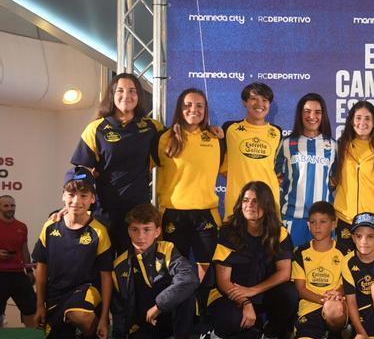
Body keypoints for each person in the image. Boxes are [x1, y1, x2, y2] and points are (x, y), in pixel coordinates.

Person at [70, 73, 163, 252]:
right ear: (112, 95)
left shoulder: (153, 127)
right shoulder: (96, 128)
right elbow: (81, 171)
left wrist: (211, 131)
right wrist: (73, 205)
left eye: (132, 91)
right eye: (120, 90)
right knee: (104, 268)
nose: (126, 96)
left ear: (139, 97)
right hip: (105, 212)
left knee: (134, 267)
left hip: (138, 214)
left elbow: (178, 144)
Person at [32, 168, 113, 339]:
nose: (76, 201)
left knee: (79, 313)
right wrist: (40, 305)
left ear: (92, 199)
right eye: (71, 194)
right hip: (56, 296)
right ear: (63, 195)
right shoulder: (50, 227)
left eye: (83, 195)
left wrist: (104, 319)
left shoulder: (99, 231)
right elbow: (41, 268)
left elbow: (105, 277)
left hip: (86, 291)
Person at [207, 181, 296, 339]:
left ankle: (269, 337)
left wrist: (253, 291)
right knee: (232, 319)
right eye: (245, 200)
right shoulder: (228, 231)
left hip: (259, 293)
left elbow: (284, 273)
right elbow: (223, 281)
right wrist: (246, 301)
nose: (249, 205)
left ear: (267, 205)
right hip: (229, 294)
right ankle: (217, 337)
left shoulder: (279, 233)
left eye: (255, 201)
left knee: (290, 293)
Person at [107, 203, 199, 339]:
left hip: (171, 320)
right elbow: (119, 311)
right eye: (135, 229)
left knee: (186, 293)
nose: (140, 236)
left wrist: (159, 305)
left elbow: (189, 278)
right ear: (128, 231)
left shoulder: (168, 250)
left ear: (157, 231)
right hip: (144, 326)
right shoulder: (119, 265)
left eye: (147, 229)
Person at [155, 88, 225, 281]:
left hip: (206, 214)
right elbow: (138, 171)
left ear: (205, 110)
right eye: (188, 104)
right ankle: (178, 310)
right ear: (179, 108)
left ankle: (201, 309)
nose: (193, 109)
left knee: (208, 273)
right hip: (173, 214)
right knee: (175, 273)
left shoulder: (216, 138)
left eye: (199, 105)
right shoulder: (163, 138)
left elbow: (233, 171)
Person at [332, 101, 374, 254]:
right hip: (345, 221)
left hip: (373, 223)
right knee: (345, 272)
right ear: (351, 120)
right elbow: (331, 181)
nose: (362, 123)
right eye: (358, 118)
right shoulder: (340, 147)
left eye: (367, 118)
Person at [291, 201, 348, 339]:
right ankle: (319, 337)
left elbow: (348, 284)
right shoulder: (300, 252)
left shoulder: (344, 251)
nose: (317, 226)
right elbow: (300, 289)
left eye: (323, 222)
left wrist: (337, 294)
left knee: (333, 309)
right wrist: (323, 300)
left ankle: (334, 335)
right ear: (308, 225)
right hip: (310, 306)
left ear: (333, 224)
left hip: (336, 305)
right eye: (313, 222)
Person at [277, 93, 337, 247]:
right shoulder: (286, 143)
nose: (312, 116)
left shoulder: (333, 145)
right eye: (307, 111)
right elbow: (275, 176)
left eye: (317, 112)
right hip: (292, 218)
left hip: (323, 221)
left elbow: (337, 180)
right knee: (291, 267)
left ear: (323, 115)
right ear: (300, 114)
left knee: (322, 269)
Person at [220, 83, 283, 218]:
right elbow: (219, 162)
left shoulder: (277, 132)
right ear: (244, 102)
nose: (259, 103)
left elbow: (280, 167)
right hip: (237, 203)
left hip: (268, 203)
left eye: (265, 100)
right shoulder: (230, 129)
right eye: (254, 98)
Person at [0, 195, 36, 327]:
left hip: (18, 274)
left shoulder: (21, 226)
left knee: (31, 310)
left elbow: (24, 250)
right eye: (6, 206)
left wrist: (29, 271)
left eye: (12, 205)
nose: (10, 208)